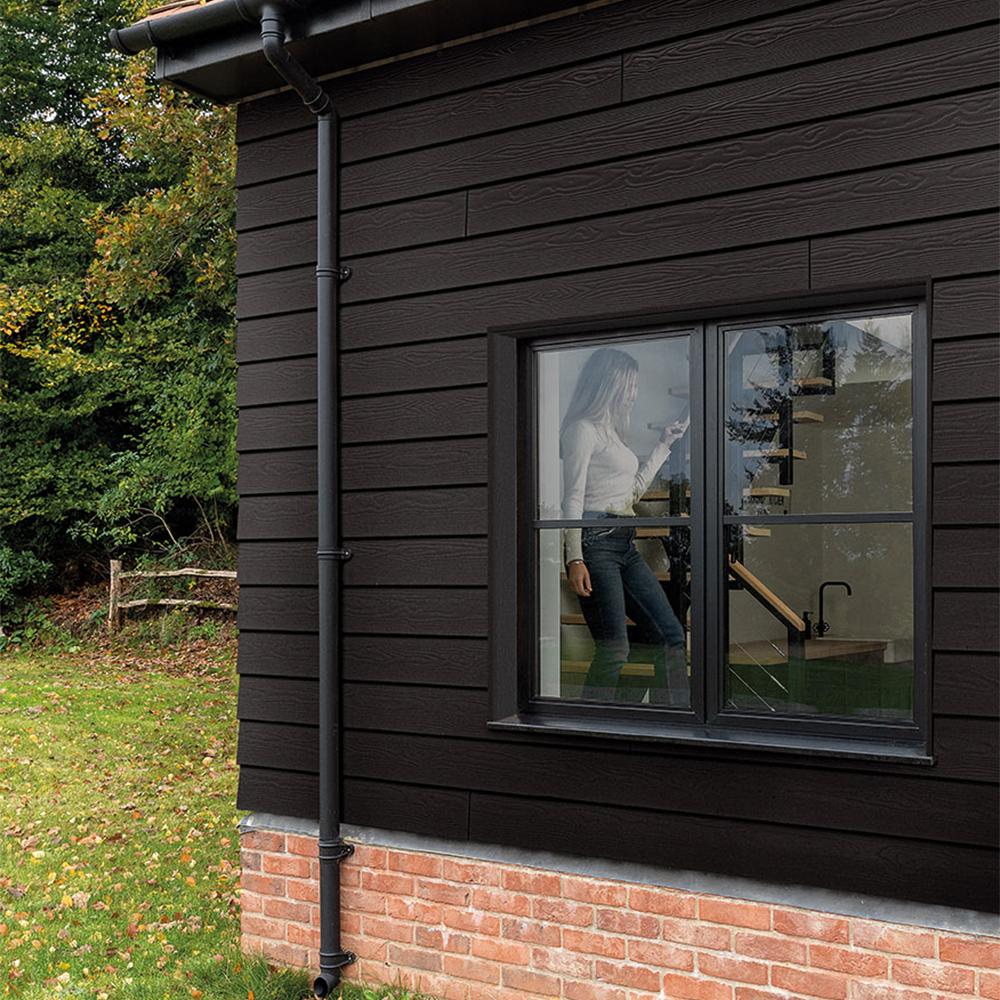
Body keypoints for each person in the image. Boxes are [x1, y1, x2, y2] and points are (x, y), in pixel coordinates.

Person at [561, 346, 689, 705]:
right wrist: (574, 558)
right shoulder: (582, 430)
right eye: (630, 385)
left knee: (670, 635)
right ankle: (588, 725)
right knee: (614, 649)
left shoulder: (613, 434)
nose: (634, 393)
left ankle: (675, 721)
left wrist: (664, 445)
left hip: (623, 544)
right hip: (594, 543)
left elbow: (630, 494)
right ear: (610, 384)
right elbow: (572, 498)